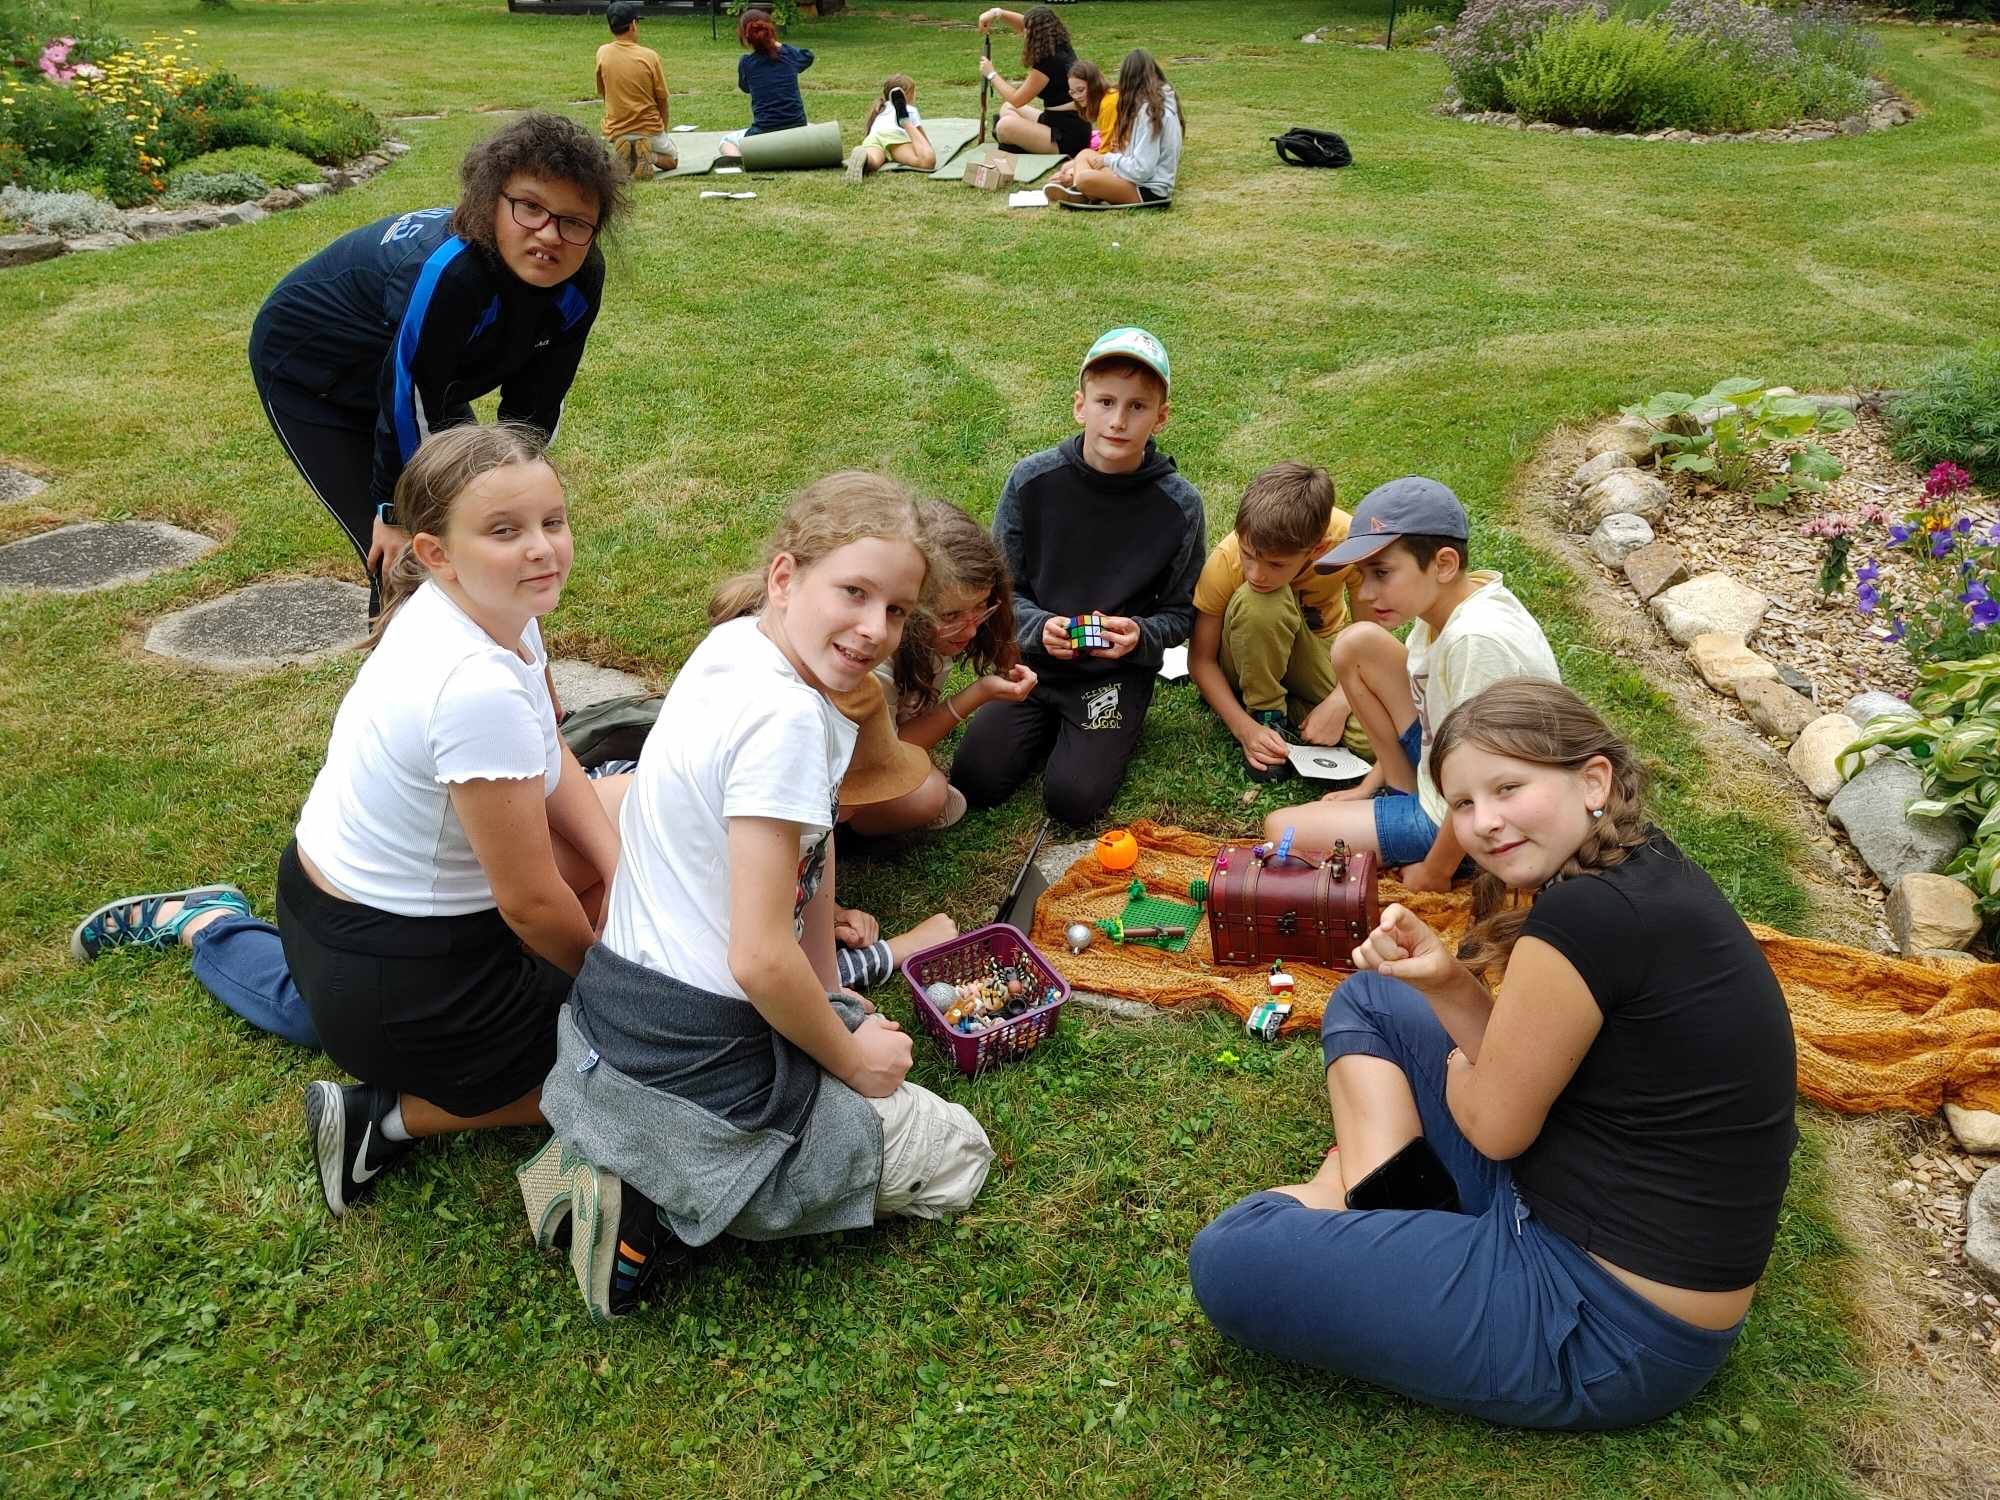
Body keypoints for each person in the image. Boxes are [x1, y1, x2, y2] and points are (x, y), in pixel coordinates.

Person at [1189, 679, 1799, 1430]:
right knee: (1375, 997)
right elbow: (1529, 1069)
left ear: (1594, 780)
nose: (1486, 823)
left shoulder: (1586, 917)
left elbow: (1493, 1127)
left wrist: (1456, 1070)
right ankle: (1395, 1204)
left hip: (1604, 1321)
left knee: (1234, 1255)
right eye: (1465, 803)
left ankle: (1354, 1198)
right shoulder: (1632, 868)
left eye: (1509, 787)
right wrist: (1448, 982)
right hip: (1573, 1193)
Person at [71, 426, 627, 1217]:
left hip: (334, 923)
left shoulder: (484, 608)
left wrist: (615, 868)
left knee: (613, 848)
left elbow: (554, 757)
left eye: (553, 521)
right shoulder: (473, 684)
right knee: (639, 1067)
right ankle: (383, 1118)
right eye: (505, 531)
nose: (542, 549)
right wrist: (615, 986)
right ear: (435, 551)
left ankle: (207, 926)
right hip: (396, 975)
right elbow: (531, 904)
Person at [522, 473, 994, 1320]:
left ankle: (611, 1142)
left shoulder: (739, 644)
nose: (874, 629)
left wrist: (831, 988)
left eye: (895, 609)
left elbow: (811, 852)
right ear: (785, 576)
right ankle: (657, 1204)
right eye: (854, 592)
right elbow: (755, 957)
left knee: (840, 1025)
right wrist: (852, 1059)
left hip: (612, 1012)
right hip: (700, 1053)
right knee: (958, 1152)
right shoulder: (786, 723)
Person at [248, 112, 620, 615]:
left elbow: (538, 396)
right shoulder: (449, 271)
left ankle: (519, 679)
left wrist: (520, 483)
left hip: (420, 377)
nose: (551, 234)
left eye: (574, 221)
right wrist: (392, 511)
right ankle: (401, 679)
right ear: (490, 202)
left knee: (484, 528)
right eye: (530, 207)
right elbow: (407, 398)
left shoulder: (579, 277)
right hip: (314, 378)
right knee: (410, 557)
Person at [950, 327, 1204, 827]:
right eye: (1106, 401)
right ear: (1080, 406)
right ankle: (1048, 725)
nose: (1118, 420)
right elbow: (1000, 590)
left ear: (1161, 417)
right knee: (975, 779)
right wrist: (1036, 627)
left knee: (1073, 801)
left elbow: (1181, 612)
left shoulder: (1180, 505)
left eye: (1137, 407)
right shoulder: (1031, 481)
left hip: (1114, 673)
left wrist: (1140, 636)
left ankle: (1098, 728)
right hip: (1034, 666)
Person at [1262, 477, 1560, 889]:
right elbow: (1432, 717)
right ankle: (1401, 792)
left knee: (1280, 829)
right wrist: (1368, 786)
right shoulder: (1446, 609)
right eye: (1364, 575)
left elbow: (1484, 783)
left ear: (1443, 564)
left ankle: (1455, 856)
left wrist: (1434, 872)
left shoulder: (1476, 642)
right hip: (1445, 772)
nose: (1365, 594)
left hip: (1470, 809)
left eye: (1382, 573)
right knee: (1356, 644)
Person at [841, 501, 1037, 837]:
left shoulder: (946, 626)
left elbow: (1000, 640)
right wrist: (978, 694)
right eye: (951, 617)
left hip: (875, 742)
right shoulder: (873, 664)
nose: (972, 629)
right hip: (846, 773)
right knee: (930, 797)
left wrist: (1007, 659)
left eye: (982, 608)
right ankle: (842, 833)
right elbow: (890, 750)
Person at [1187, 462, 1369, 784]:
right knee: (1262, 602)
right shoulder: (1226, 561)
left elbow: (1369, 638)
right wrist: (1246, 729)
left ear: (1318, 549)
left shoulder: (1349, 544)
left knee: (1370, 739)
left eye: (1276, 563)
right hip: (1246, 653)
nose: (1256, 573)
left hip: (1316, 648)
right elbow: (1201, 662)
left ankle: (1295, 707)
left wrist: (1341, 701)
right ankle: (1266, 713)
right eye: (1249, 555)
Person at [1045, 49, 1183, 207]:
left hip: (1148, 191)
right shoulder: (1155, 105)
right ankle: (1080, 192)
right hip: (1139, 180)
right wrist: (1123, 151)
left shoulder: (1150, 113)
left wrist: (1110, 159)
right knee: (1085, 155)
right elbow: (1143, 155)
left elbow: (1142, 170)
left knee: (1085, 178)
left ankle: (1081, 190)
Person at [976, 6, 1090, 158]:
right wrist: (996, 13)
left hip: (1067, 138)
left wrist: (991, 74)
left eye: (1027, 31)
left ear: (1036, 35)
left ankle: (1021, 139)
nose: (1023, 32)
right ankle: (1024, 137)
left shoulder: (1049, 63)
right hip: (1056, 121)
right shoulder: (1059, 43)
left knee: (1004, 126)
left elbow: (1017, 99)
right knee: (1006, 108)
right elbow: (1023, 23)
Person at [596, 1, 677, 179]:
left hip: (616, 130)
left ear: (610, 28)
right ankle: (650, 156)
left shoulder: (602, 53)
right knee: (672, 160)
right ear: (633, 25)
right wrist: (662, 129)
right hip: (649, 129)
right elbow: (662, 99)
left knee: (609, 157)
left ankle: (628, 155)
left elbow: (604, 94)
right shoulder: (650, 56)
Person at [718, 10, 812, 161]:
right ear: (771, 31)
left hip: (763, 131)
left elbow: (745, 88)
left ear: (744, 35)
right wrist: (777, 45)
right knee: (811, 127)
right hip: (796, 127)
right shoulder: (788, 56)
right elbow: (808, 56)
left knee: (727, 140)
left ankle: (739, 160)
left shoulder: (746, 63)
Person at [846, 74, 938, 180]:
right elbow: (921, 137)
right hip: (894, 136)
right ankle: (905, 121)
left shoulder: (881, 108)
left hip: (874, 136)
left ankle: (865, 158)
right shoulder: (909, 109)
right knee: (927, 161)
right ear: (907, 94)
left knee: (874, 162)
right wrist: (928, 145)